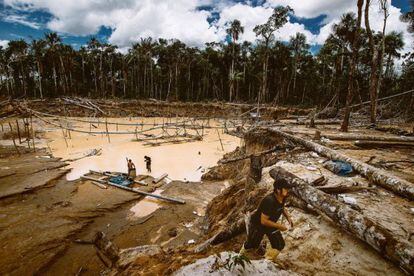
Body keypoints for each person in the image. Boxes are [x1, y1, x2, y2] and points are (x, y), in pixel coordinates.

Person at [240, 178, 294, 262]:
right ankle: (239, 258)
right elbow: (263, 221)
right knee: (252, 245)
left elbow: (281, 207)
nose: (288, 190)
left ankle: (267, 262)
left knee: (279, 244)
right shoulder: (269, 201)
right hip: (258, 225)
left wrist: (288, 218)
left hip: (270, 224)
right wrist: (280, 226)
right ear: (278, 190)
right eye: (286, 188)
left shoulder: (282, 197)